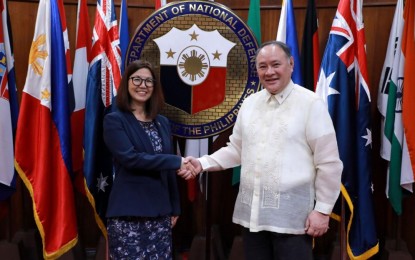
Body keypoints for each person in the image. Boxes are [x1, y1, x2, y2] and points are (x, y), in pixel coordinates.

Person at [179, 41, 343, 260]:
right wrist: (202, 163)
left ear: (291, 64)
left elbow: (329, 162)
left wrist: (322, 210)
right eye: (263, 66)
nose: (269, 72)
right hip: (253, 219)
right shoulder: (249, 104)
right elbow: (236, 149)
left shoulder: (311, 104)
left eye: (276, 64)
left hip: (292, 221)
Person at [103, 60, 194, 259]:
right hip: (129, 214)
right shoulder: (114, 120)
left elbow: (167, 171)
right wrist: (176, 161)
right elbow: (131, 159)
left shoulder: (162, 122)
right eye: (137, 79)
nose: (142, 85)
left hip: (160, 214)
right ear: (127, 83)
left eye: (148, 81)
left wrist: (174, 206)